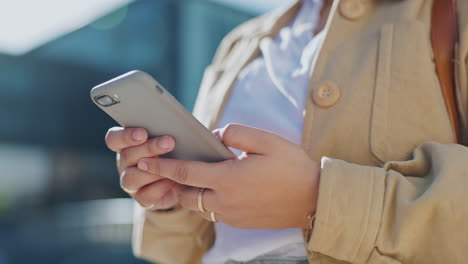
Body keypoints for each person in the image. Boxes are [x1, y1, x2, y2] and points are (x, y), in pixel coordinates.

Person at [104, 0, 468, 263]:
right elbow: (178, 253)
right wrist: (174, 194)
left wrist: (318, 197)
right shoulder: (239, 45)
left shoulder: (450, 12)